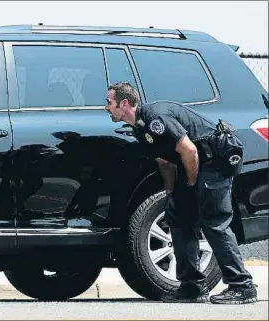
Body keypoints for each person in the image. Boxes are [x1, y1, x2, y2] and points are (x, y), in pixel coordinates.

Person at [105, 82, 258, 304]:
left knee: (213, 222)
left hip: (214, 161)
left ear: (124, 103)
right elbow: (165, 162)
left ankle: (242, 286)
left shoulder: (155, 118)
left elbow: (189, 150)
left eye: (109, 102)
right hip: (194, 166)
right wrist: (171, 193)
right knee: (179, 217)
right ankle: (192, 287)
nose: (106, 107)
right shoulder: (140, 126)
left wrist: (192, 183)